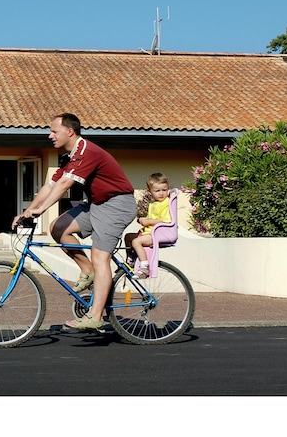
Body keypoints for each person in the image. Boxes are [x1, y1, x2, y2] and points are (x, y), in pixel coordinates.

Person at [12, 113, 136, 331]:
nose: (50, 136)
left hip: (117, 205)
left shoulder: (86, 150)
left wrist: (41, 210)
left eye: (54, 131)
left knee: (100, 256)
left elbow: (64, 185)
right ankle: (87, 270)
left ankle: (95, 315)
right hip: (97, 204)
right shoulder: (68, 156)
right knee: (58, 229)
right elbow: (50, 186)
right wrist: (28, 211)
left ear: (70, 131)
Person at [124, 173, 171, 279]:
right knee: (128, 237)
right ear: (149, 191)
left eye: (164, 190)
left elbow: (165, 221)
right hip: (148, 232)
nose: (161, 193)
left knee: (136, 242)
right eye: (157, 191)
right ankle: (131, 260)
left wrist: (148, 221)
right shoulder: (154, 204)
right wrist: (143, 220)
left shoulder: (166, 203)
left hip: (157, 234)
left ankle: (144, 266)